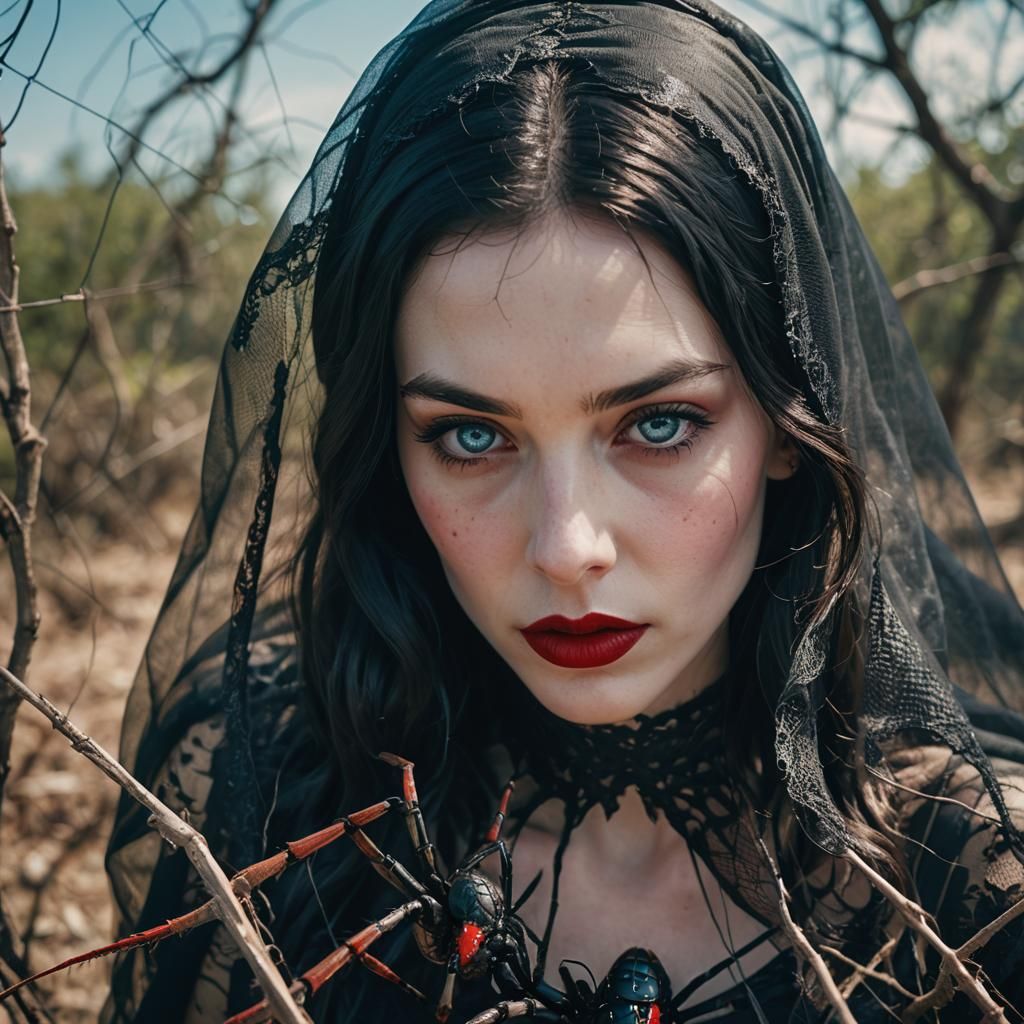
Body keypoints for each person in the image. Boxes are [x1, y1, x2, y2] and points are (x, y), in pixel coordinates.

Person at [100, 2, 1024, 1022]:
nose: (565, 548)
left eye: (660, 423)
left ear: (786, 424)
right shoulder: (273, 801)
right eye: (469, 435)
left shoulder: (979, 889)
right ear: (384, 448)